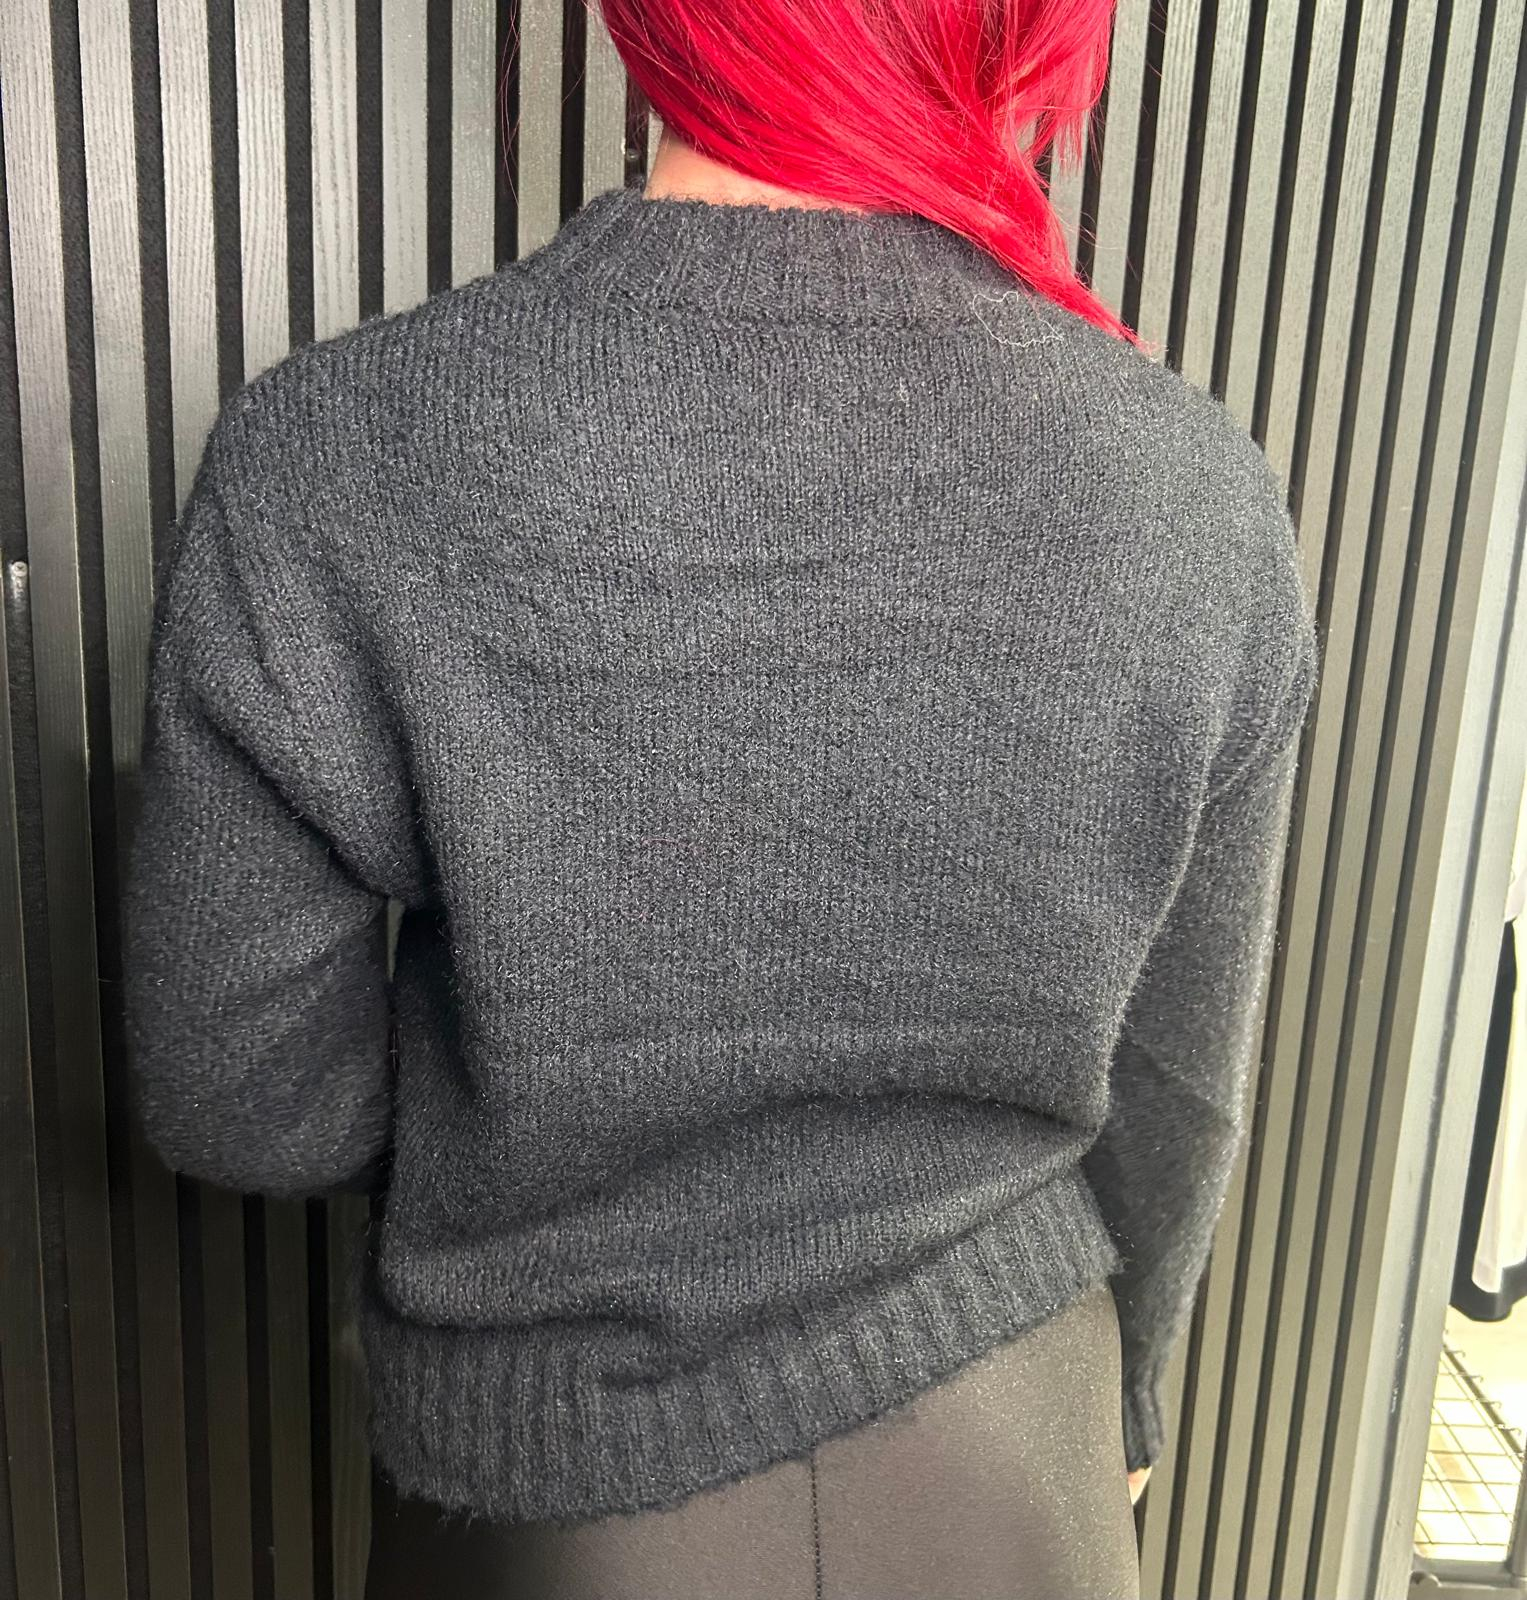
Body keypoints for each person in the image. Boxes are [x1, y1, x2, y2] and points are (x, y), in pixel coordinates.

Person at [119, 0, 1320, 1595]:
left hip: (559, 1496)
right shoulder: (1197, 489)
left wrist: (530, 1065)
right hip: (1024, 1451)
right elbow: (1179, 1083)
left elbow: (240, 1098)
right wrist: (1128, 1398)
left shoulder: (336, 452)